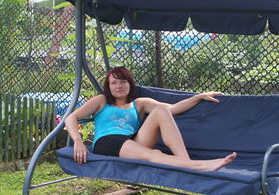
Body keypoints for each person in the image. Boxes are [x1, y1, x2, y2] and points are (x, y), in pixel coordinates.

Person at [65, 66, 237, 171]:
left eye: (123, 82)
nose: (119, 86)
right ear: (108, 87)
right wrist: (78, 141)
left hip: (131, 141)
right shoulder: (102, 101)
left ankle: (186, 164)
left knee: (161, 111)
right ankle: (199, 166)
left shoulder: (139, 103)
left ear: (130, 84)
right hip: (107, 141)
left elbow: (173, 109)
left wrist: (199, 97)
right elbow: (71, 118)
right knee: (153, 154)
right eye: (114, 83)